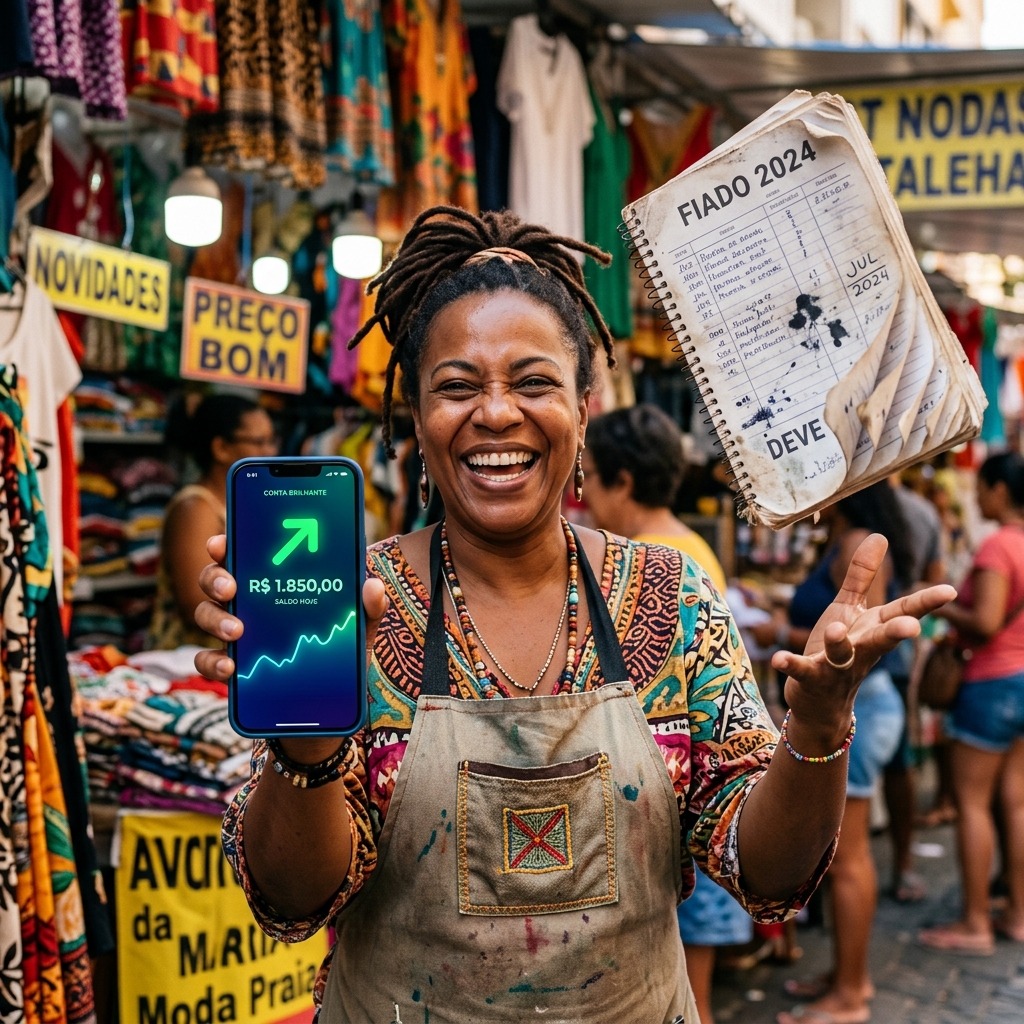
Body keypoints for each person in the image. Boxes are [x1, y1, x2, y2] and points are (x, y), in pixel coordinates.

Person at [191, 208, 954, 1024]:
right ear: (415, 418)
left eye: (532, 382)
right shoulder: (354, 607)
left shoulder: (671, 597)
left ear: (583, 412)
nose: (495, 412)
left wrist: (816, 726)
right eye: (457, 386)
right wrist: (306, 749)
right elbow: (291, 902)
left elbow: (767, 878)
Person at [583, 403, 742, 1023]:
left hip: (663, 810)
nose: (585, 493)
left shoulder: (645, 566)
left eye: (591, 476)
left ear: (622, 481)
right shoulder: (691, 542)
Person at [774, 483, 914, 1024]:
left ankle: (852, 992)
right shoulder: (847, 538)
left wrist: (782, 630)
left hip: (862, 706)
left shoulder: (857, 541)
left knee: (847, 859)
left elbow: (853, 639)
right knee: (838, 856)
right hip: (861, 705)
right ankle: (842, 974)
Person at [919, 451, 1024, 955]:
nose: (977, 497)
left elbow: (984, 621)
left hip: (991, 684)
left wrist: (941, 604)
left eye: (982, 488)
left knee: (973, 804)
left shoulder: (998, 547)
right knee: (1016, 802)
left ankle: (976, 922)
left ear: (1001, 491)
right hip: (1021, 681)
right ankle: (1019, 915)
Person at [148, 394, 277, 650]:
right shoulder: (195, 508)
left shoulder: (253, 504)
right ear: (221, 448)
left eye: (272, 441)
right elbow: (195, 602)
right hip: (189, 660)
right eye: (259, 442)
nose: (270, 452)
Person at [583, 404, 726, 592]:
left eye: (586, 475)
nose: (581, 490)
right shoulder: (696, 548)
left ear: (622, 484)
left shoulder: (638, 564)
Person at [885, 473, 946, 902]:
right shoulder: (923, 512)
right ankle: (902, 864)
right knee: (898, 761)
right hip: (901, 650)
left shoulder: (851, 499)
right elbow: (937, 582)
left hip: (886, 657)